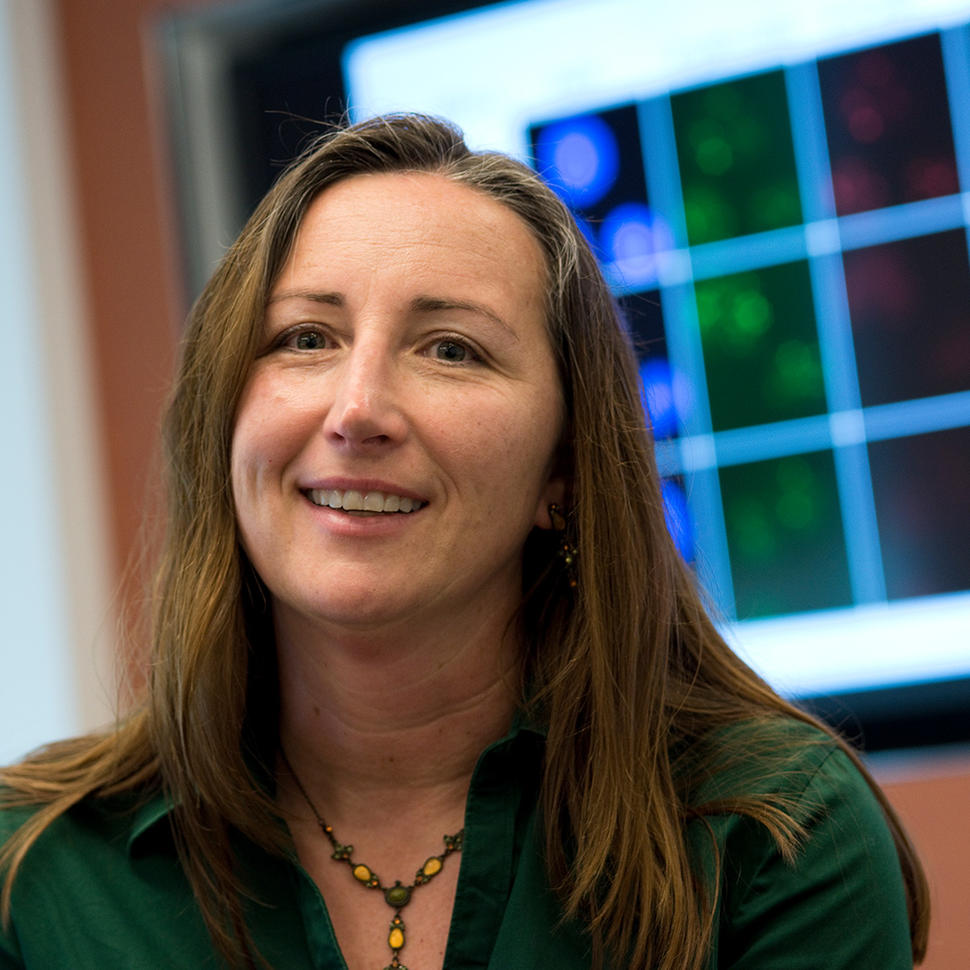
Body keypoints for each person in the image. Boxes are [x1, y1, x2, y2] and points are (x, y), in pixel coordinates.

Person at [0, 114, 928, 970]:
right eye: (306, 338)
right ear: (227, 418)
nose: (357, 408)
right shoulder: (33, 873)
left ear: (564, 471)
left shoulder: (774, 838)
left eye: (452, 349)